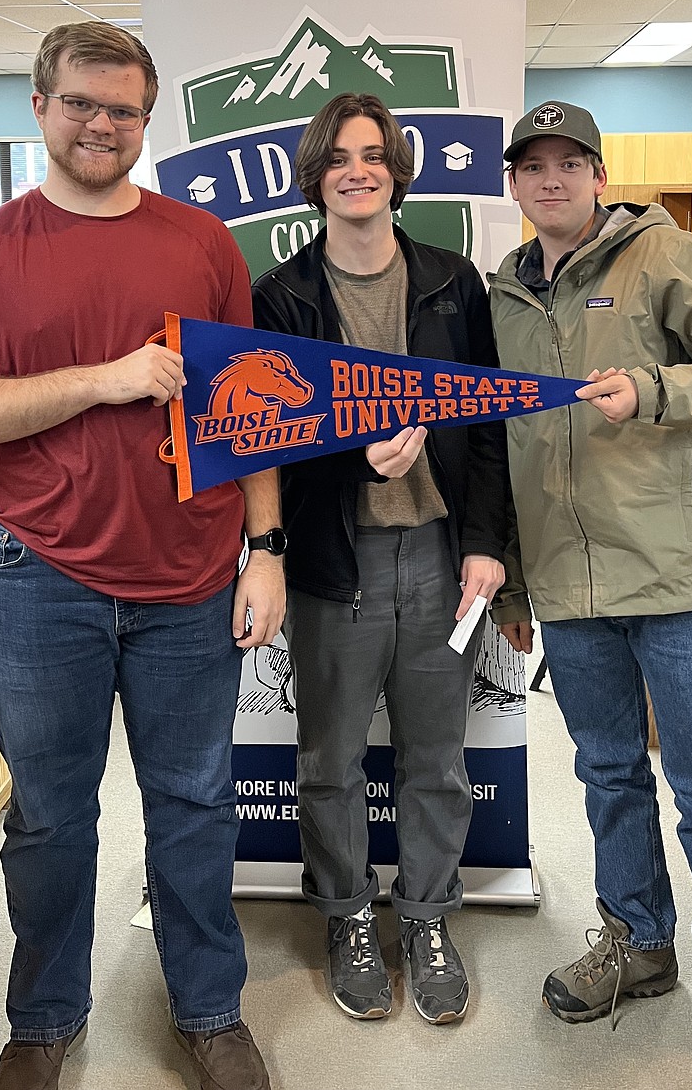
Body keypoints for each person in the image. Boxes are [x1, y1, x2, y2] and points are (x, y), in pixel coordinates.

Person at [0, 22, 282, 1090]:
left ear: (145, 120)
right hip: (36, 572)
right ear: (40, 106)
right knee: (53, 809)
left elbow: (252, 410)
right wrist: (100, 378)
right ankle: (43, 1018)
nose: (101, 124)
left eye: (123, 109)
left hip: (191, 570)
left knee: (199, 801)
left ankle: (210, 1007)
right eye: (81, 103)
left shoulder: (204, 242)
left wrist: (268, 547)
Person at [490, 100, 692, 1090]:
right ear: (514, 182)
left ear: (597, 171)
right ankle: (638, 937)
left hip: (678, 578)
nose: (550, 180)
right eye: (532, 166)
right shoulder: (504, 293)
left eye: (568, 163)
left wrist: (656, 390)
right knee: (609, 773)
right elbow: (503, 437)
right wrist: (512, 567)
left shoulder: (664, 257)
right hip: (572, 582)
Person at [251, 93, 510, 1027]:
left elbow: (488, 425)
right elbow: (265, 432)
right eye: (338, 157)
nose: (357, 170)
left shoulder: (452, 282)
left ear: (397, 169)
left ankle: (430, 917)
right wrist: (350, 450)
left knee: (437, 758)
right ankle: (349, 913)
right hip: (335, 560)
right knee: (328, 757)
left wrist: (486, 541)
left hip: (440, 557)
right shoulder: (280, 295)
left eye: (372, 154)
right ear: (316, 176)